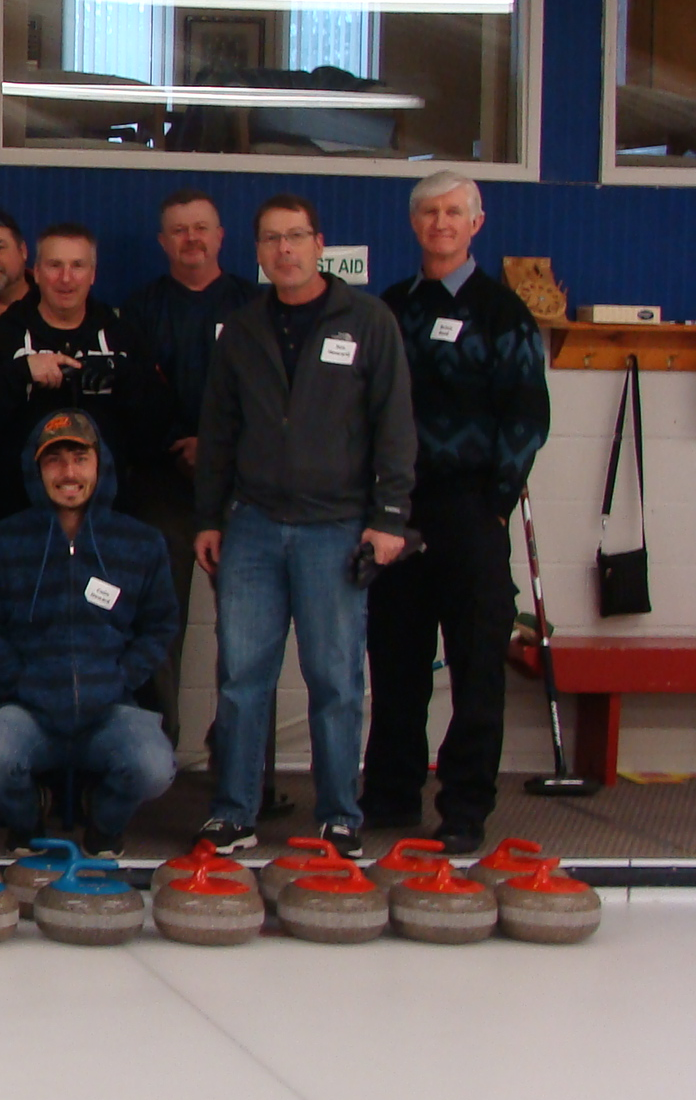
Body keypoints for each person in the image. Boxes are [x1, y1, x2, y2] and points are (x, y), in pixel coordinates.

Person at [193, 194, 415, 857]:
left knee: (336, 680)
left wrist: (389, 518)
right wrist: (208, 517)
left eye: (295, 237)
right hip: (254, 528)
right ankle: (234, 811)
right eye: (271, 240)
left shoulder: (369, 322)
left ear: (319, 244)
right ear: (257, 252)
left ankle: (340, 815)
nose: (284, 250)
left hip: (337, 529)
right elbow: (219, 432)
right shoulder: (241, 329)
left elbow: (395, 429)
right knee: (240, 678)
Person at [365, 172, 550, 854]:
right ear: (414, 224)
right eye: (429, 213)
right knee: (395, 658)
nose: (440, 223)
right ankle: (388, 796)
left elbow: (529, 416)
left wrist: (496, 504)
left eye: (453, 213)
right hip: (395, 512)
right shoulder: (388, 309)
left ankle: (465, 806)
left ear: (476, 223)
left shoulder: (504, 313)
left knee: (475, 666)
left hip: (471, 509)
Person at [0, 410, 180, 858]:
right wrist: (19, 683)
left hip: (110, 710)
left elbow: (160, 625)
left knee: (154, 767)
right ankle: (26, 824)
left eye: (80, 458)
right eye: (54, 461)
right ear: (35, 469)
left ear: (100, 466)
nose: (68, 473)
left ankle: (103, 823)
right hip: (29, 711)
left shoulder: (141, 542)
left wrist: (120, 679)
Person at [117, 189, 259, 735]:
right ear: (162, 241)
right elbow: (133, 401)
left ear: (221, 237)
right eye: (179, 230)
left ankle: (245, 766)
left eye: (202, 227)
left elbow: (271, 400)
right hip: (162, 484)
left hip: (242, 488)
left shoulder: (254, 308)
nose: (191, 239)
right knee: (158, 621)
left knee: (249, 631)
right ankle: (154, 751)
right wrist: (182, 442)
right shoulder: (138, 310)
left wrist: (218, 447)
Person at [0, 223, 171, 542]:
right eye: (55, 265)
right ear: (37, 270)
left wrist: (123, 376)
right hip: (16, 519)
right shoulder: (2, 337)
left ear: (93, 273)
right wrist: (22, 373)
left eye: (77, 266)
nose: (66, 278)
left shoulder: (123, 337)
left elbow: (153, 436)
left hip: (106, 520)